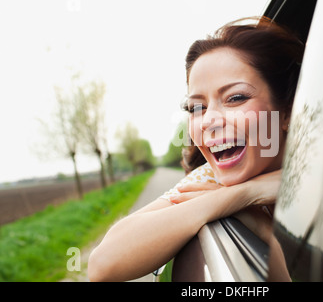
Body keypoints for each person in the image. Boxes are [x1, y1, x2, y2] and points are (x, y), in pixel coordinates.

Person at [88, 16, 304, 282]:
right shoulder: (209, 179)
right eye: (196, 108)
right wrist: (244, 195)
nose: (209, 121)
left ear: (286, 112)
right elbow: (102, 264)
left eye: (235, 98)